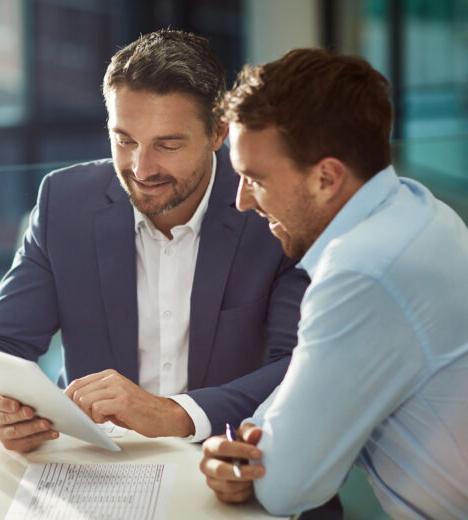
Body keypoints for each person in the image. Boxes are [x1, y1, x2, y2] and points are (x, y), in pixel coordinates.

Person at [0, 29, 309, 453]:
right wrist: (0, 405)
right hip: (95, 463)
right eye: (124, 140)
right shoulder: (65, 203)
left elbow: (299, 367)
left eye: (168, 144)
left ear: (218, 134)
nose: (142, 168)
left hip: (224, 457)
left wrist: (176, 414)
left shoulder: (269, 211)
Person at [199, 48, 468, 518]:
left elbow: (285, 487)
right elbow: (297, 399)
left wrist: (254, 459)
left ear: (326, 178)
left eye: (254, 179)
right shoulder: (418, 210)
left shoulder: (362, 273)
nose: (241, 201)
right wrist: (254, 440)